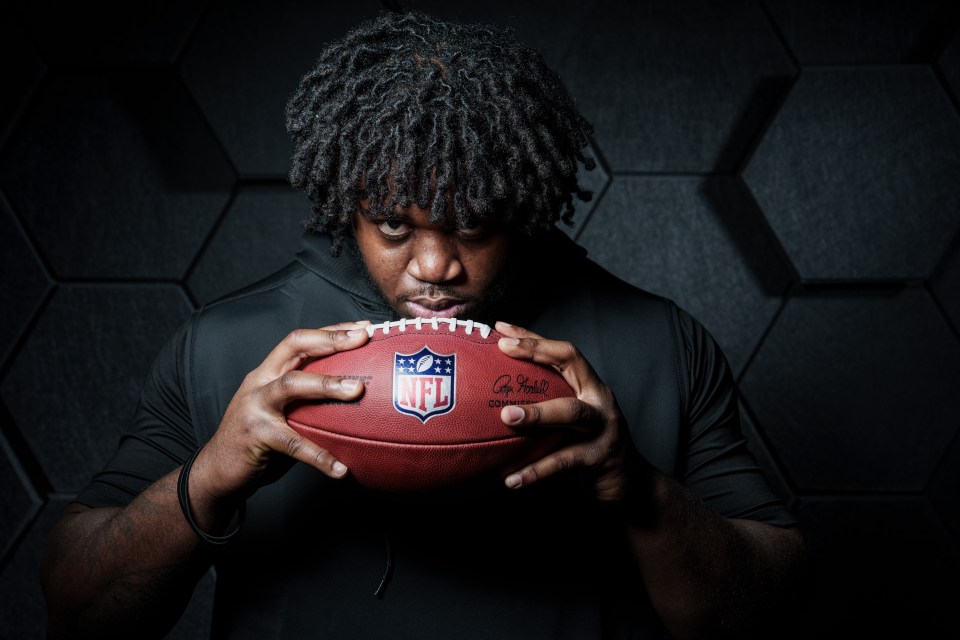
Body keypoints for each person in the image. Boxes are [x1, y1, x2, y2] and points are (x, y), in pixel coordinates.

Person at [41, 10, 806, 640]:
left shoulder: (658, 346)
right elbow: (79, 611)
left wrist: (636, 488)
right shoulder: (230, 351)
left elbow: (770, 616)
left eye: (472, 224)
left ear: (526, 204)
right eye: (393, 225)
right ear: (348, 205)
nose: (435, 265)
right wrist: (207, 478)